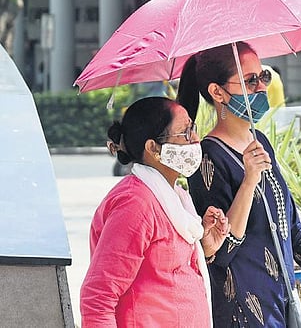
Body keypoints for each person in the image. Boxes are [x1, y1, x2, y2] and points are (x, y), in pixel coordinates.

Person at [176, 42, 301, 327]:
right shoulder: (207, 157)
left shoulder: (261, 145)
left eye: (264, 76)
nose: (261, 87)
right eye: (250, 80)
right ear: (217, 92)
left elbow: (293, 225)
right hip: (243, 312)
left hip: (281, 304)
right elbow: (218, 251)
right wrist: (249, 182)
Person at [80, 96, 229, 327]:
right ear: (153, 148)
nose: (196, 140)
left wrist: (205, 247)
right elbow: (98, 297)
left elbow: (166, 273)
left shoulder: (175, 197)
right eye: (185, 133)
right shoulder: (135, 204)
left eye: (194, 129)